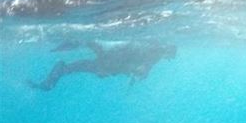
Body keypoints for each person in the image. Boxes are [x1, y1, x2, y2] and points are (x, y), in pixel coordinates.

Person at [29, 40, 177, 91]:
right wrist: (136, 73)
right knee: (87, 54)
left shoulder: (153, 54)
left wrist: (137, 73)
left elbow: (142, 70)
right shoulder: (152, 52)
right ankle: (55, 73)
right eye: (167, 55)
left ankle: (54, 75)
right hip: (110, 63)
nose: (165, 56)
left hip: (109, 63)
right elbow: (141, 69)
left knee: (82, 61)